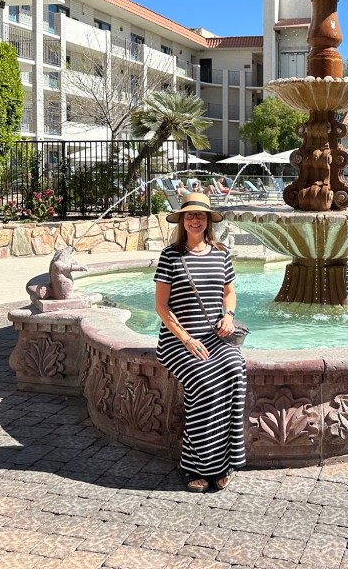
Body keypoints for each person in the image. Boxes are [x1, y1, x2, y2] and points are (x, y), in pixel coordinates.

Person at [153, 192, 246, 492]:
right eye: (190, 215)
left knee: (235, 369)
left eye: (201, 215)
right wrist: (187, 339)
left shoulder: (221, 253)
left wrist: (228, 316)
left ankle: (223, 462)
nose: (195, 220)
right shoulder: (171, 256)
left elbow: (229, 293)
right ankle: (193, 464)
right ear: (182, 220)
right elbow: (162, 307)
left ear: (208, 221)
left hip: (213, 338)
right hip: (177, 341)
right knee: (205, 384)